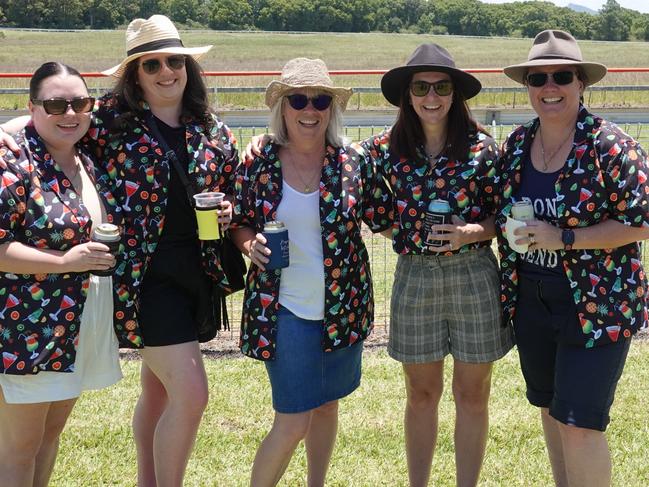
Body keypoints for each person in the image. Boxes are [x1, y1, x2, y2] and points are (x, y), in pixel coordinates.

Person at [230, 57, 392, 487]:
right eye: (298, 99)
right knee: (292, 420)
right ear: (282, 107)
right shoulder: (260, 160)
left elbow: (386, 217)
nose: (310, 109)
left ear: (331, 109)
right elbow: (239, 220)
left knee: (327, 404)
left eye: (320, 100)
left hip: (342, 308)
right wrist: (249, 244)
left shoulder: (352, 162)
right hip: (284, 310)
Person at [497, 29, 649, 487]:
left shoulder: (610, 145)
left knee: (581, 424)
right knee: (550, 410)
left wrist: (563, 237)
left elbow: (642, 220)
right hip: (532, 297)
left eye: (561, 75)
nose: (549, 86)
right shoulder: (517, 145)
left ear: (581, 83)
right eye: (538, 77)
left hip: (597, 304)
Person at [96, 15, 238, 487]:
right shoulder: (108, 126)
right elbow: (51, 121)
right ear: (135, 75)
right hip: (145, 279)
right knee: (192, 394)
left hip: (196, 273)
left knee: (158, 391)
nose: (165, 72)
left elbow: (231, 185)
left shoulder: (211, 129)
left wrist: (228, 210)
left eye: (173, 61)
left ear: (187, 67)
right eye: (150, 64)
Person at [363, 44, 514, 487]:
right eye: (421, 87)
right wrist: (408, 236)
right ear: (408, 95)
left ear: (455, 93)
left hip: (473, 274)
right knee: (421, 394)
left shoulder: (484, 150)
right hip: (415, 276)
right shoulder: (381, 151)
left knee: (472, 394)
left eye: (442, 86)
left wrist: (471, 232)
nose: (432, 96)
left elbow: (504, 214)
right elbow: (374, 210)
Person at [0, 62, 122, 487]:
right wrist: (63, 263)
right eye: (55, 104)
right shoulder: (13, 158)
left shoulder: (86, 158)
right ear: (33, 107)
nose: (70, 114)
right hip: (29, 326)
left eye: (79, 103)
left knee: (50, 436)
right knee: (19, 448)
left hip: (77, 323)